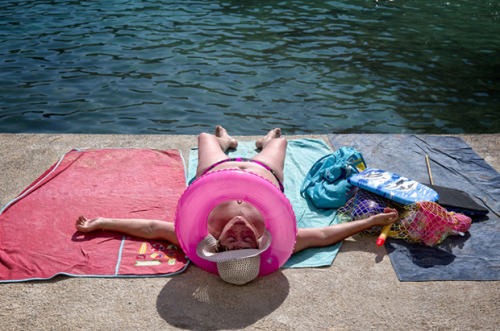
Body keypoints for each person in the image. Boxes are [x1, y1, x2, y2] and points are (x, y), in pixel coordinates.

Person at [76, 126, 398, 283]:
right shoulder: (280, 239)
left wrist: (102, 222)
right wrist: (370, 223)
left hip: (216, 173)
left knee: (205, 136)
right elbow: (327, 236)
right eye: (248, 241)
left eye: (232, 240)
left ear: (215, 246)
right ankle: (265, 142)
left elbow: (150, 228)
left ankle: (226, 142)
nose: (241, 232)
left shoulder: (199, 233)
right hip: (263, 172)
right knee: (281, 141)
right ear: (259, 245)